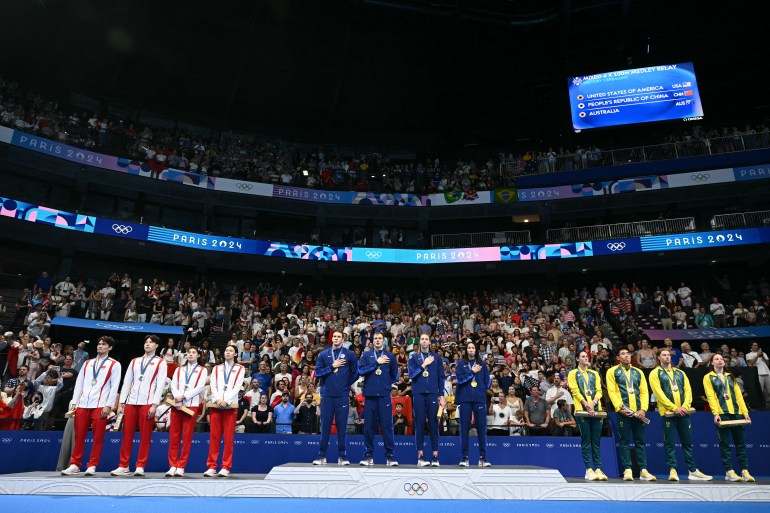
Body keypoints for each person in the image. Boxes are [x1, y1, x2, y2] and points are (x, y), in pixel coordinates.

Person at [61, 336, 122, 476]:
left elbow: (114, 387)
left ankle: (92, 465)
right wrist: (74, 402)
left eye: (104, 344)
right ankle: (75, 464)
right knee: (79, 436)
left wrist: (108, 405)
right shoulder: (88, 363)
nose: (100, 346)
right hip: (82, 404)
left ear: (110, 348)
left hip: (100, 405)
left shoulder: (114, 364)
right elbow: (79, 383)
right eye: (99, 343)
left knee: (98, 437)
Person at [648, 348, 712, 481]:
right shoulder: (655, 373)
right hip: (668, 413)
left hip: (684, 412)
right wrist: (673, 408)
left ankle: (693, 470)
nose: (667, 357)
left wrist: (685, 406)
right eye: (664, 355)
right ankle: (672, 470)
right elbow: (659, 394)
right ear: (658, 358)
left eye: (668, 355)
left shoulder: (680, 373)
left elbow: (688, 390)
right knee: (670, 443)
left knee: (687, 442)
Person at [112, 335, 167, 477]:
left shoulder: (160, 362)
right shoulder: (135, 361)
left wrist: (155, 404)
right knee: (126, 435)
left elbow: (160, 384)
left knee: (145, 436)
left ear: (156, 346)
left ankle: (140, 465)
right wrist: (122, 403)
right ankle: (123, 465)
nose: (147, 344)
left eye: (151, 342)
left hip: (147, 403)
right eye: (146, 342)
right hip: (131, 402)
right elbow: (126, 382)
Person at [702, 354, 755, 482]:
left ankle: (744, 471)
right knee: (725, 444)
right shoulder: (708, 377)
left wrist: (745, 412)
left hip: (737, 413)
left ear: (724, 363)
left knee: (740, 444)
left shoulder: (731, 377)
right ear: (712, 363)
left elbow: (738, 396)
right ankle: (729, 471)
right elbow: (711, 396)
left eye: (721, 359)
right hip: (722, 413)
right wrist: (716, 413)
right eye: (716, 359)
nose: (720, 361)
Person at [606, 348, 655, 481]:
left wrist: (643, 409)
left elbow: (644, 391)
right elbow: (612, 391)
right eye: (622, 353)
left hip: (638, 413)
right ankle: (627, 469)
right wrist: (618, 408)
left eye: (628, 353)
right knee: (624, 441)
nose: (626, 356)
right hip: (623, 412)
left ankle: (643, 470)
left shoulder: (638, 372)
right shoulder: (612, 371)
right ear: (618, 357)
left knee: (640, 441)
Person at [313, 330, 359, 465]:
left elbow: (355, 373)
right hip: (327, 394)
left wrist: (346, 385)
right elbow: (318, 372)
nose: (336, 338)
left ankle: (342, 456)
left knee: (342, 426)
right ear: (331, 339)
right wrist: (332, 366)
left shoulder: (350, 355)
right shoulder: (323, 354)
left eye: (339, 336)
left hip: (342, 395)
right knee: (325, 426)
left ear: (343, 339)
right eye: (334, 336)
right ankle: (321, 456)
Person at [357, 332, 399, 466]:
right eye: (375, 338)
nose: (377, 340)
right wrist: (376, 363)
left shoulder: (390, 356)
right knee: (369, 427)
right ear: (372, 341)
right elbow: (361, 371)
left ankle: (390, 456)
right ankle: (368, 455)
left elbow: (395, 376)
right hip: (370, 396)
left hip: (384, 396)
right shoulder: (367, 355)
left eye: (380, 338)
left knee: (387, 426)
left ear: (384, 341)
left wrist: (385, 385)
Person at [167, 346, 208, 477]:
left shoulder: (202, 370)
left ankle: (181, 466)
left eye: (193, 352)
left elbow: (199, 387)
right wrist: (177, 396)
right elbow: (173, 385)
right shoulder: (179, 369)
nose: (190, 354)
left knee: (187, 437)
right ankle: (172, 465)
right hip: (176, 405)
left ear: (198, 356)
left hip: (191, 405)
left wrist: (183, 396)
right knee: (174, 436)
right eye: (189, 352)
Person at [204, 344, 244, 477]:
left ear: (236, 354)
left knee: (228, 438)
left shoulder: (240, 368)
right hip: (216, 406)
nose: (227, 352)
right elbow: (213, 385)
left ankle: (226, 466)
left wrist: (225, 400)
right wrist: (217, 399)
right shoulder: (217, 368)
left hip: (230, 406)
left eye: (231, 351)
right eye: (226, 350)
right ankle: (212, 466)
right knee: (214, 437)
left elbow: (237, 386)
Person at [567, 350, 607, 481]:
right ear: (578, 359)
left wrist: (594, 402)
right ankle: (588, 469)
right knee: (586, 440)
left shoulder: (594, 373)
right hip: (582, 410)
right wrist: (586, 404)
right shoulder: (573, 373)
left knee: (596, 441)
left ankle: (599, 468)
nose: (586, 358)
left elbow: (599, 390)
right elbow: (575, 391)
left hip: (596, 410)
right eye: (583, 356)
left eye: (587, 356)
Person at [408, 332, 446, 466]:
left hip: (433, 395)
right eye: (422, 339)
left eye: (426, 339)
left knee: (434, 424)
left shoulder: (437, 358)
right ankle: (421, 455)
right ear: (420, 343)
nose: (424, 341)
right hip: (418, 394)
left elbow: (441, 377)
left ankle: (435, 455)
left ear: (430, 342)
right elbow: (412, 375)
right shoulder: (413, 358)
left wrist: (442, 395)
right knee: (419, 424)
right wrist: (423, 364)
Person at [455, 341, 491, 467]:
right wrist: (472, 372)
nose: (471, 349)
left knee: (482, 429)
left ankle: (483, 458)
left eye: (473, 348)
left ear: (476, 350)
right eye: (469, 348)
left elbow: (488, 382)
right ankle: (465, 458)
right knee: (464, 430)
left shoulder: (482, 364)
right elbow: (459, 380)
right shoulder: (461, 364)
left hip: (479, 399)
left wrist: (480, 390)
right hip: (465, 399)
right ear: (466, 350)